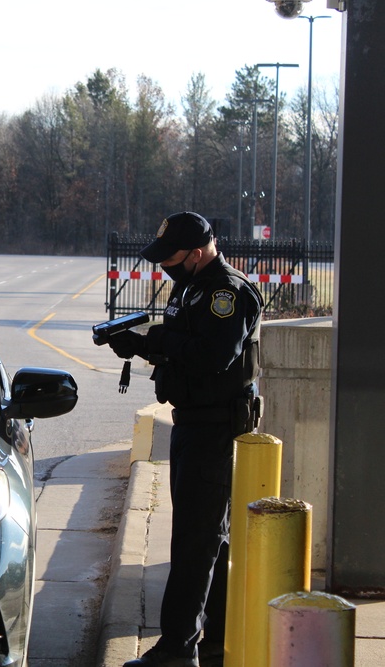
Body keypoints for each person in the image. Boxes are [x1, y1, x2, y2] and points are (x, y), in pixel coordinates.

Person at [106, 212, 263, 667]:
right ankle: (216, 635)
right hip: (193, 423)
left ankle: (177, 648)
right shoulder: (191, 285)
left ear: (197, 253)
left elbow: (214, 355)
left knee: (195, 541)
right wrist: (142, 344)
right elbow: (181, 339)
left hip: (215, 430)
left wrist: (153, 341)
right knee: (210, 537)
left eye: (171, 259)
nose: (164, 268)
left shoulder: (225, 293)